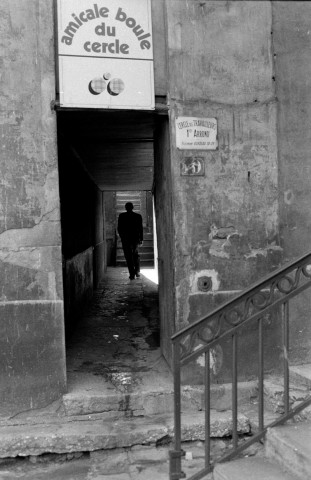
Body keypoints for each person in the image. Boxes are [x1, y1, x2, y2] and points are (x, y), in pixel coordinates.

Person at [117, 202, 143, 280]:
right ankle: (137, 271)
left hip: (126, 239)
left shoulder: (122, 216)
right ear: (133, 207)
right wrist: (141, 239)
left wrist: (122, 237)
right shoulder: (138, 216)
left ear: (125, 207)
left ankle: (132, 274)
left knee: (128, 256)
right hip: (135, 239)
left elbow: (119, 228)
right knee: (135, 255)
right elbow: (140, 228)